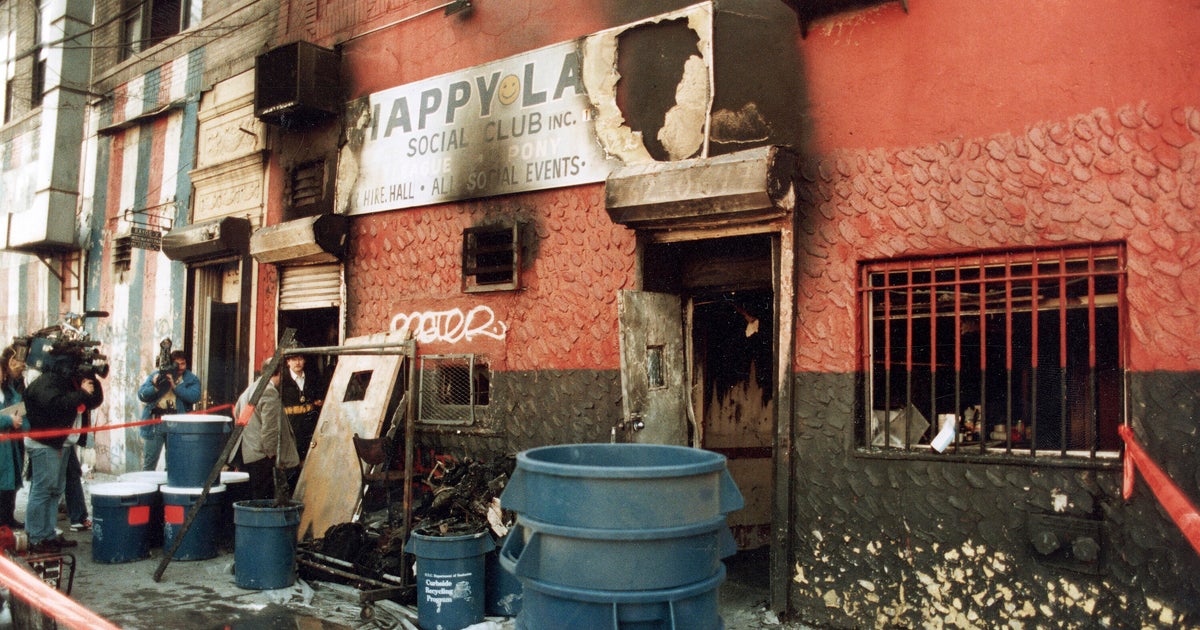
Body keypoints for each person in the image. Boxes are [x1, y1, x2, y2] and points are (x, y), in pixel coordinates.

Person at [23, 358, 103, 552]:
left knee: (55, 490)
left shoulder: (69, 382)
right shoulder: (48, 381)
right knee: (43, 490)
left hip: (61, 443)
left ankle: (48, 534)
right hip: (44, 444)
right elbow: (56, 404)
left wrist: (92, 379)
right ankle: (36, 537)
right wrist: (81, 392)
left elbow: (94, 401)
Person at [230, 359, 298, 501]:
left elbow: (237, 415)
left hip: (247, 453)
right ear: (279, 373)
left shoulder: (251, 388)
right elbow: (270, 429)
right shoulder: (269, 392)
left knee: (251, 498)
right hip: (261, 457)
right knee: (263, 500)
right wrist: (271, 454)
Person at [137, 350, 201, 471]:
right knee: (149, 462)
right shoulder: (158, 375)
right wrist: (155, 387)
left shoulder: (191, 379)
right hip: (156, 422)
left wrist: (175, 386)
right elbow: (142, 395)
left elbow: (194, 396)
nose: (180, 367)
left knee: (173, 462)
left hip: (177, 423)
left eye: (183, 363)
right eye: (177, 364)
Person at [279, 353, 325, 463]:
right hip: (290, 427)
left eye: (300, 359)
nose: (297, 362)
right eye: (294, 359)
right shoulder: (282, 380)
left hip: (309, 427)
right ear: (288, 362)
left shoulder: (313, 378)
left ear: (304, 360)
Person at [0, 346, 26, 529]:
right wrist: (8, 420)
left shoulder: (8, 391)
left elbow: (19, 406)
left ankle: (8, 517)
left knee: (11, 482)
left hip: (11, 443)